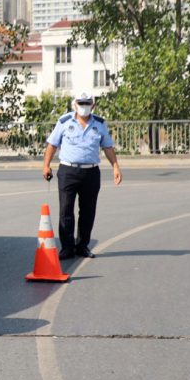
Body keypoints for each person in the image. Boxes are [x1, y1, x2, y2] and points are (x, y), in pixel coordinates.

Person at [43, 91, 122, 260]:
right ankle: (67, 247)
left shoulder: (100, 124)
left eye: (87, 103)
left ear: (93, 105)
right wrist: (46, 165)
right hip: (68, 171)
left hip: (91, 172)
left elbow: (107, 147)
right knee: (66, 210)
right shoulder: (64, 121)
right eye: (81, 103)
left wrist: (115, 166)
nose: (84, 106)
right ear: (75, 105)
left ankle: (82, 246)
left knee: (88, 211)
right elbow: (52, 144)